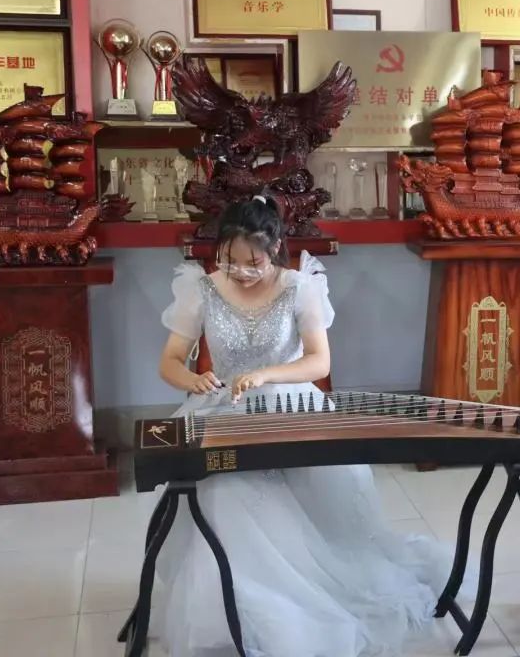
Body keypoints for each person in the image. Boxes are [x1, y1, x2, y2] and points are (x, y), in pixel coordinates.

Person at [153, 195, 461, 656]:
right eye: (231, 261)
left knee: (314, 505)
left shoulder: (300, 287)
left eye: (254, 262)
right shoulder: (202, 289)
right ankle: (233, 609)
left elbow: (319, 361)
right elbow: (170, 361)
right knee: (219, 492)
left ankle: (300, 605)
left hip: (289, 405)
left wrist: (267, 374)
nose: (242, 272)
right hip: (223, 409)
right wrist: (192, 379)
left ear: (276, 247)